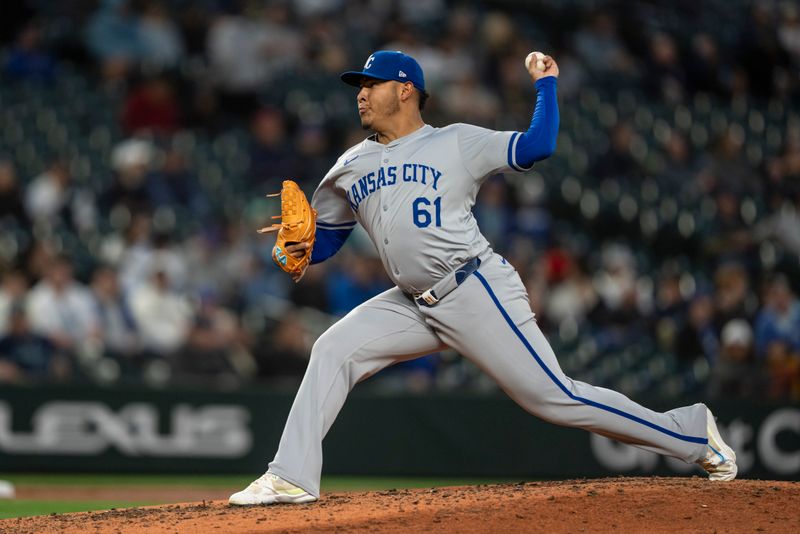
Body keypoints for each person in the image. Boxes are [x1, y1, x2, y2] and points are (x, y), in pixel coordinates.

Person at [229, 50, 737, 506]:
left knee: (556, 399)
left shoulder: (458, 142)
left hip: (473, 289)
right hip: (411, 301)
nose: (360, 94)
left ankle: (691, 434)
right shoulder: (350, 165)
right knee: (333, 349)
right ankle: (291, 475)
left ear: (405, 89)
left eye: (371, 83)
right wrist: (292, 251)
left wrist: (547, 84)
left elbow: (537, 145)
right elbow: (326, 240)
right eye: (358, 86)